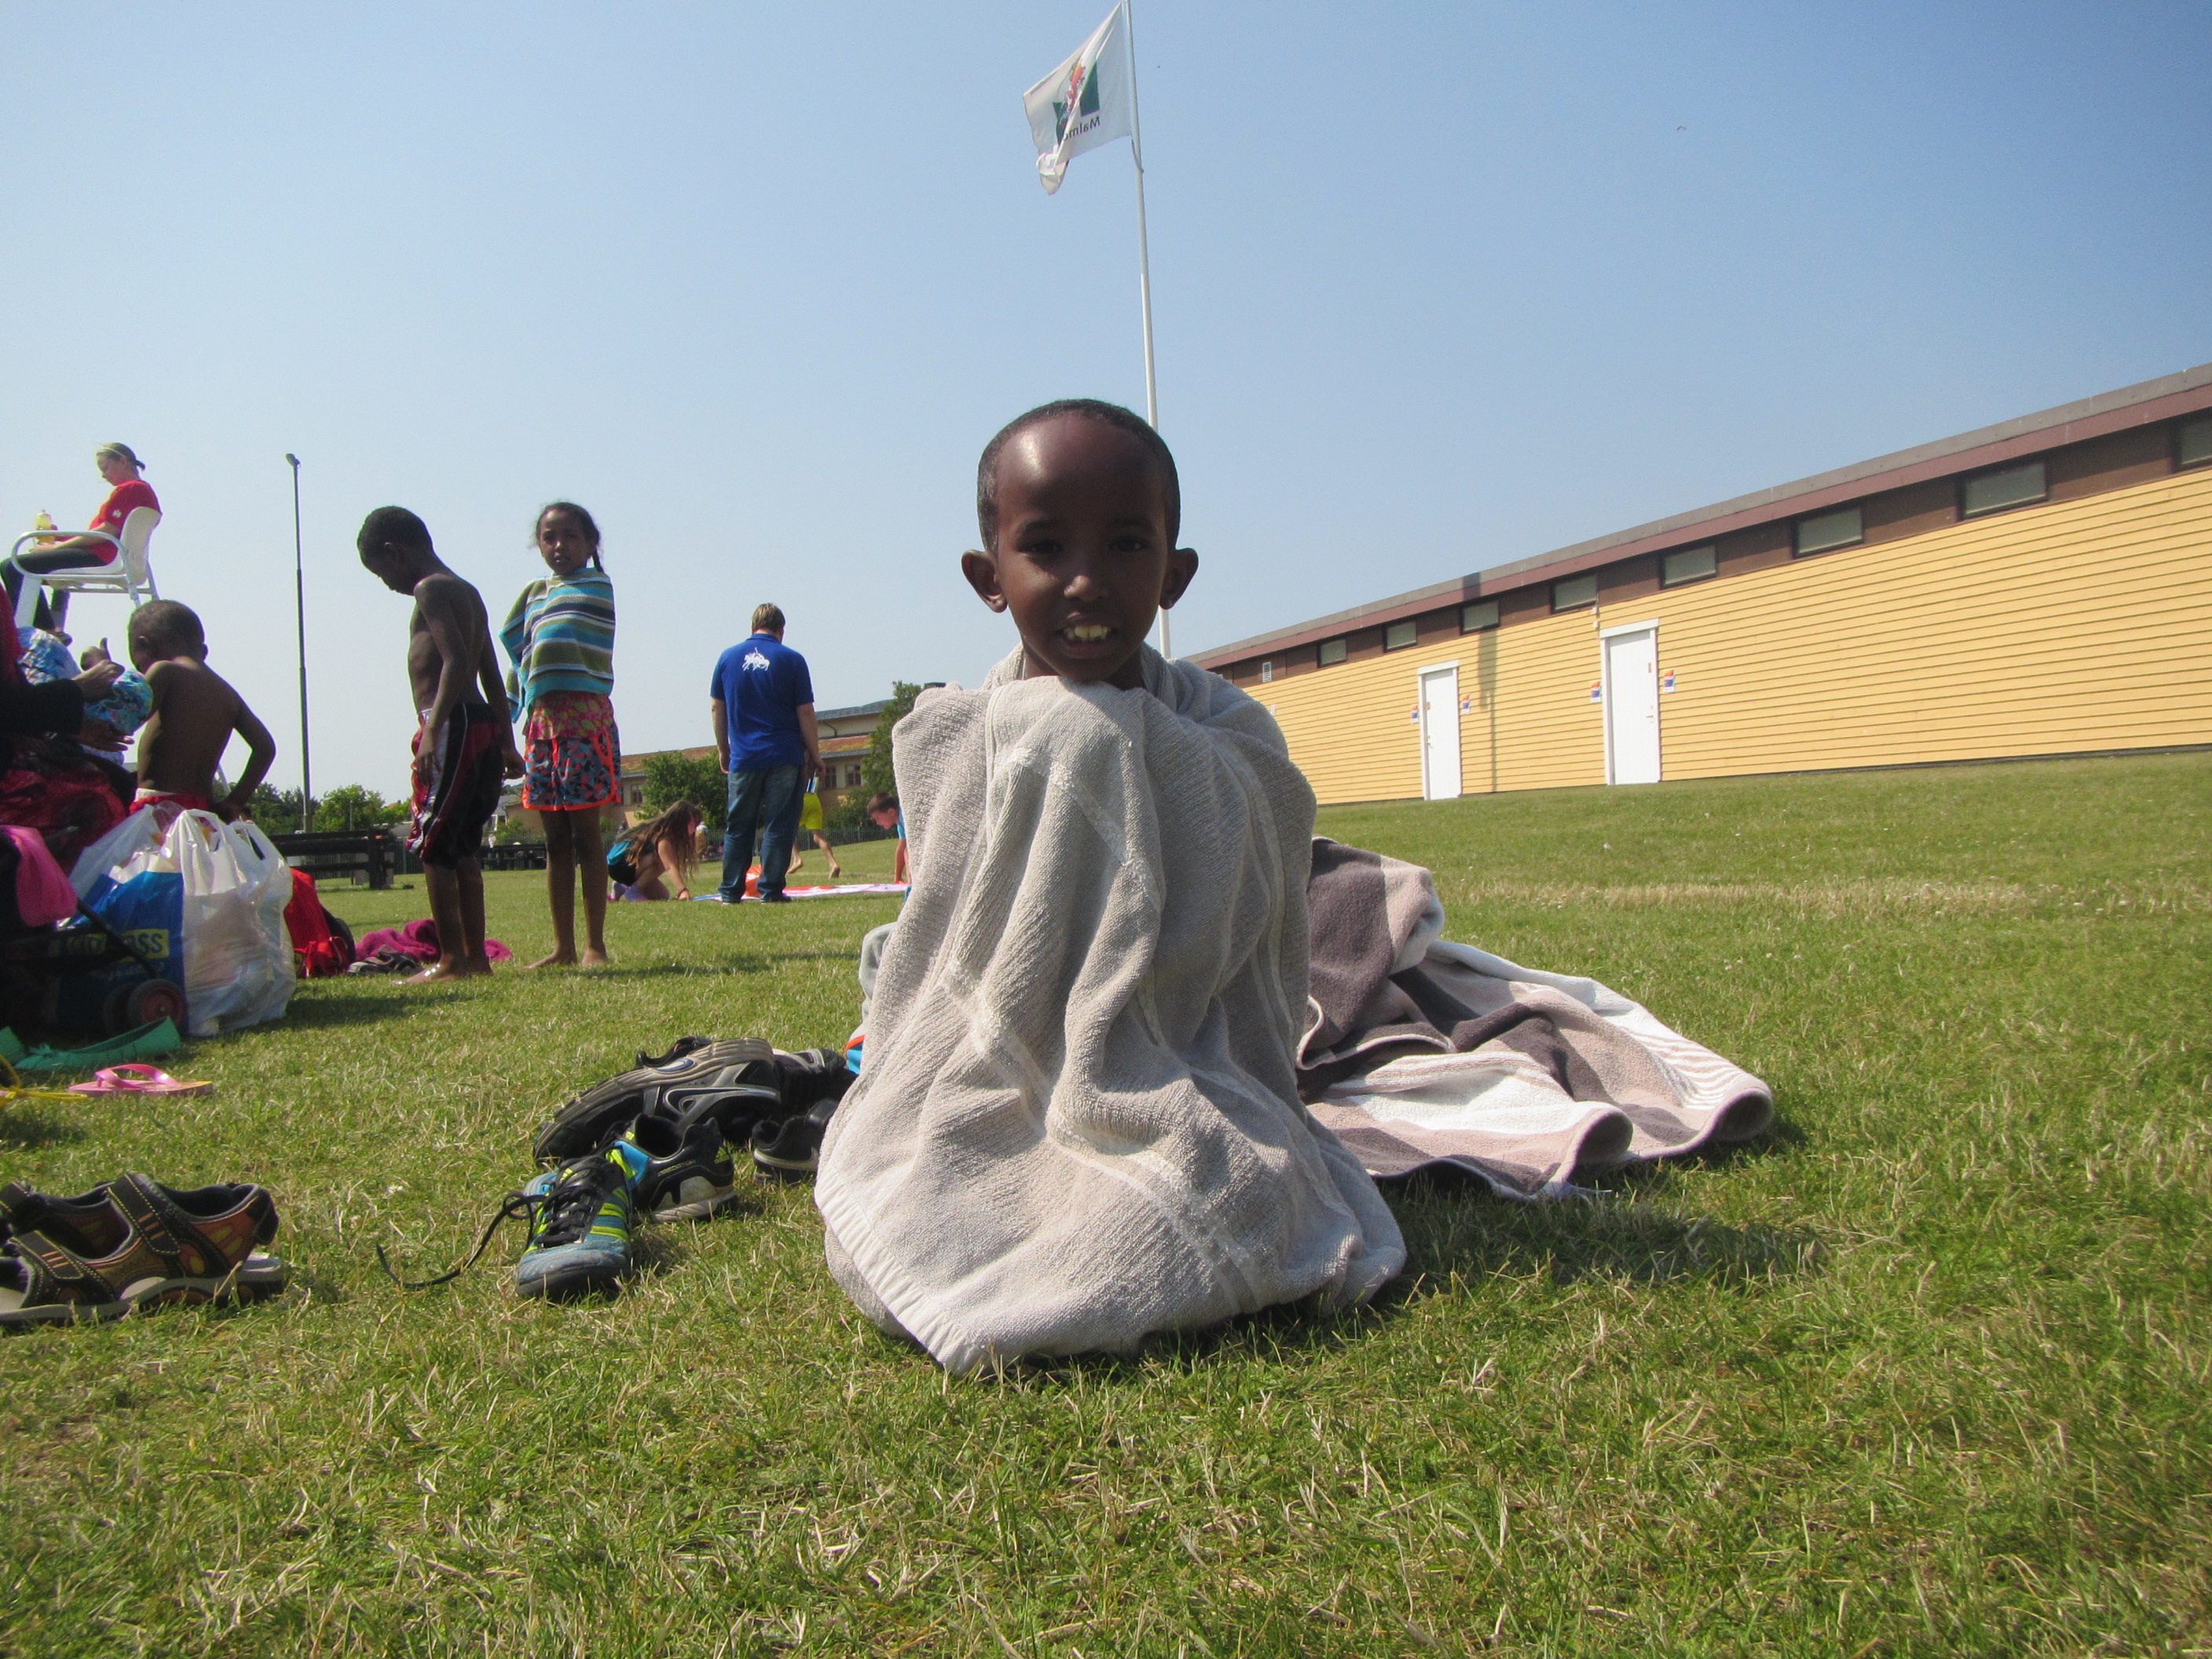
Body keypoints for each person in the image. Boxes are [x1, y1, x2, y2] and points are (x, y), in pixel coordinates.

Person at [813, 399, 1404, 1371]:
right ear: (988, 578)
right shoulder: (962, 736)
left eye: (1126, 544)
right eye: (1045, 547)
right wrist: (1075, 743)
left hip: (1179, 1046)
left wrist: (1128, 752)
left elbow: (1262, 862)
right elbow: (950, 921)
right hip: (1001, 1060)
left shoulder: (1227, 731)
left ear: (1173, 573)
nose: (1086, 579)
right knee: (937, 1185)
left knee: (1240, 1183)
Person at [357, 506, 522, 985]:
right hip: (481, 723)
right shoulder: (467, 590)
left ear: (394, 553)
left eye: (382, 573)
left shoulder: (429, 589)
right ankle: (476, 959)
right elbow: (491, 673)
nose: (388, 584)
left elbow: (455, 662)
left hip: (453, 724)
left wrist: (432, 730)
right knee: (463, 846)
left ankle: (451, 961)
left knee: (433, 848)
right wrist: (506, 739)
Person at [500, 502, 619, 968]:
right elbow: (524, 656)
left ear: (590, 544)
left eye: (570, 536)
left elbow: (569, 643)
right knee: (554, 841)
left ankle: (594, 945)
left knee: (586, 836)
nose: (559, 546)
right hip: (542, 727)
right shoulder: (534, 596)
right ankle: (562, 948)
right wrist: (508, 715)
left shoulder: (597, 588)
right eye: (549, 537)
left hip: (584, 722)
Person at [124, 601, 275, 823]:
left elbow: (126, 718)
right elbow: (265, 748)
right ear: (203, 650)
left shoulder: (165, 671)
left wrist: (111, 679)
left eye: (139, 667)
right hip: (202, 813)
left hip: (158, 811)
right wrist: (235, 801)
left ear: (144, 645)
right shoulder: (227, 692)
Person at [709, 603, 819, 905]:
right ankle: (770, 890)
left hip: (744, 756)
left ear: (752, 626)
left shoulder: (727, 658)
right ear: (781, 630)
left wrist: (723, 748)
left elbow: (717, 707)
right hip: (784, 754)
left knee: (738, 825)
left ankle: (730, 891)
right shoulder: (793, 659)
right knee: (779, 824)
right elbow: (806, 712)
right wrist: (815, 753)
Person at [7, 445, 160, 628]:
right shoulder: (144, 491)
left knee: (14, 566)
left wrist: (55, 547)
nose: (103, 475)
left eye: (105, 468)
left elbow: (106, 532)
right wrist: (60, 538)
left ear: (123, 462)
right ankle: (49, 627)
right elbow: (103, 534)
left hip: (103, 556)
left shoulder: (131, 488)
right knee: (34, 568)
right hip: (112, 554)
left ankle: (44, 630)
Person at [607, 800, 701, 900]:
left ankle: (620, 886)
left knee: (662, 896)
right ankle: (634, 891)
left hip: (623, 867)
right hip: (619, 866)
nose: (694, 829)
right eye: (692, 824)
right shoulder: (663, 834)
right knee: (661, 859)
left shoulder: (667, 833)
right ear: (680, 821)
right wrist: (683, 890)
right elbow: (669, 866)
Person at [784, 770, 843, 880]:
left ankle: (797, 859)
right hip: (814, 798)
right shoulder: (815, 764)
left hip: (799, 799)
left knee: (788, 829)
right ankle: (833, 863)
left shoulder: (795, 763)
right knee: (819, 836)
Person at [866, 791, 907, 884]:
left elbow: (908, 849)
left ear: (891, 812)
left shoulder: (905, 818)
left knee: (908, 851)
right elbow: (901, 848)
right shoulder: (900, 822)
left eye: (878, 818)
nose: (877, 823)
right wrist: (897, 877)